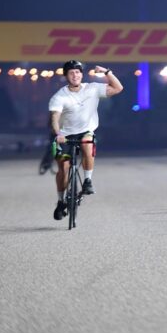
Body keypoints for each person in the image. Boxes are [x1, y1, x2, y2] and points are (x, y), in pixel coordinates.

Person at [48, 60, 124, 221]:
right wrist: (58, 134)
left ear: (81, 75)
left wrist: (107, 72)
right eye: (71, 73)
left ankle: (88, 180)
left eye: (77, 72)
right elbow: (54, 118)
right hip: (65, 135)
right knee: (63, 167)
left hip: (86, 131)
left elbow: (118, 88)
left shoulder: (92, 88)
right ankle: (61, 201)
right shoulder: (59, 96)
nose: (75, 75)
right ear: (66, 76)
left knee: (87, 143)